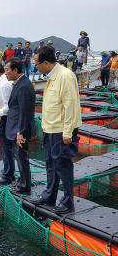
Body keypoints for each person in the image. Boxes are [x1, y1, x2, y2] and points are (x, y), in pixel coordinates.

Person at [31, 46, 82, 214]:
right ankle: (49, 195)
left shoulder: (65, 76)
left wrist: (68, 131)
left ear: (45, 62)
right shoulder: (52, 76)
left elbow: (70, 105)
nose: (35, 66)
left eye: (37, 63)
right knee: (50, 164)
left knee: (62, 165)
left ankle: (68, 202)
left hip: (61, 130)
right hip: (50, 128)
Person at [4, 57, 36, 194]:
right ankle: (22, 181)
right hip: (17, 128)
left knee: (22, 157)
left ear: (15, 70)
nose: (5, 73)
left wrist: (20, 132)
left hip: (20, 129)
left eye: (6, 70)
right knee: (20, 156)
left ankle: (24, 186)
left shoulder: (23, 86)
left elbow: (24, 111)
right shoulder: (19, 83)